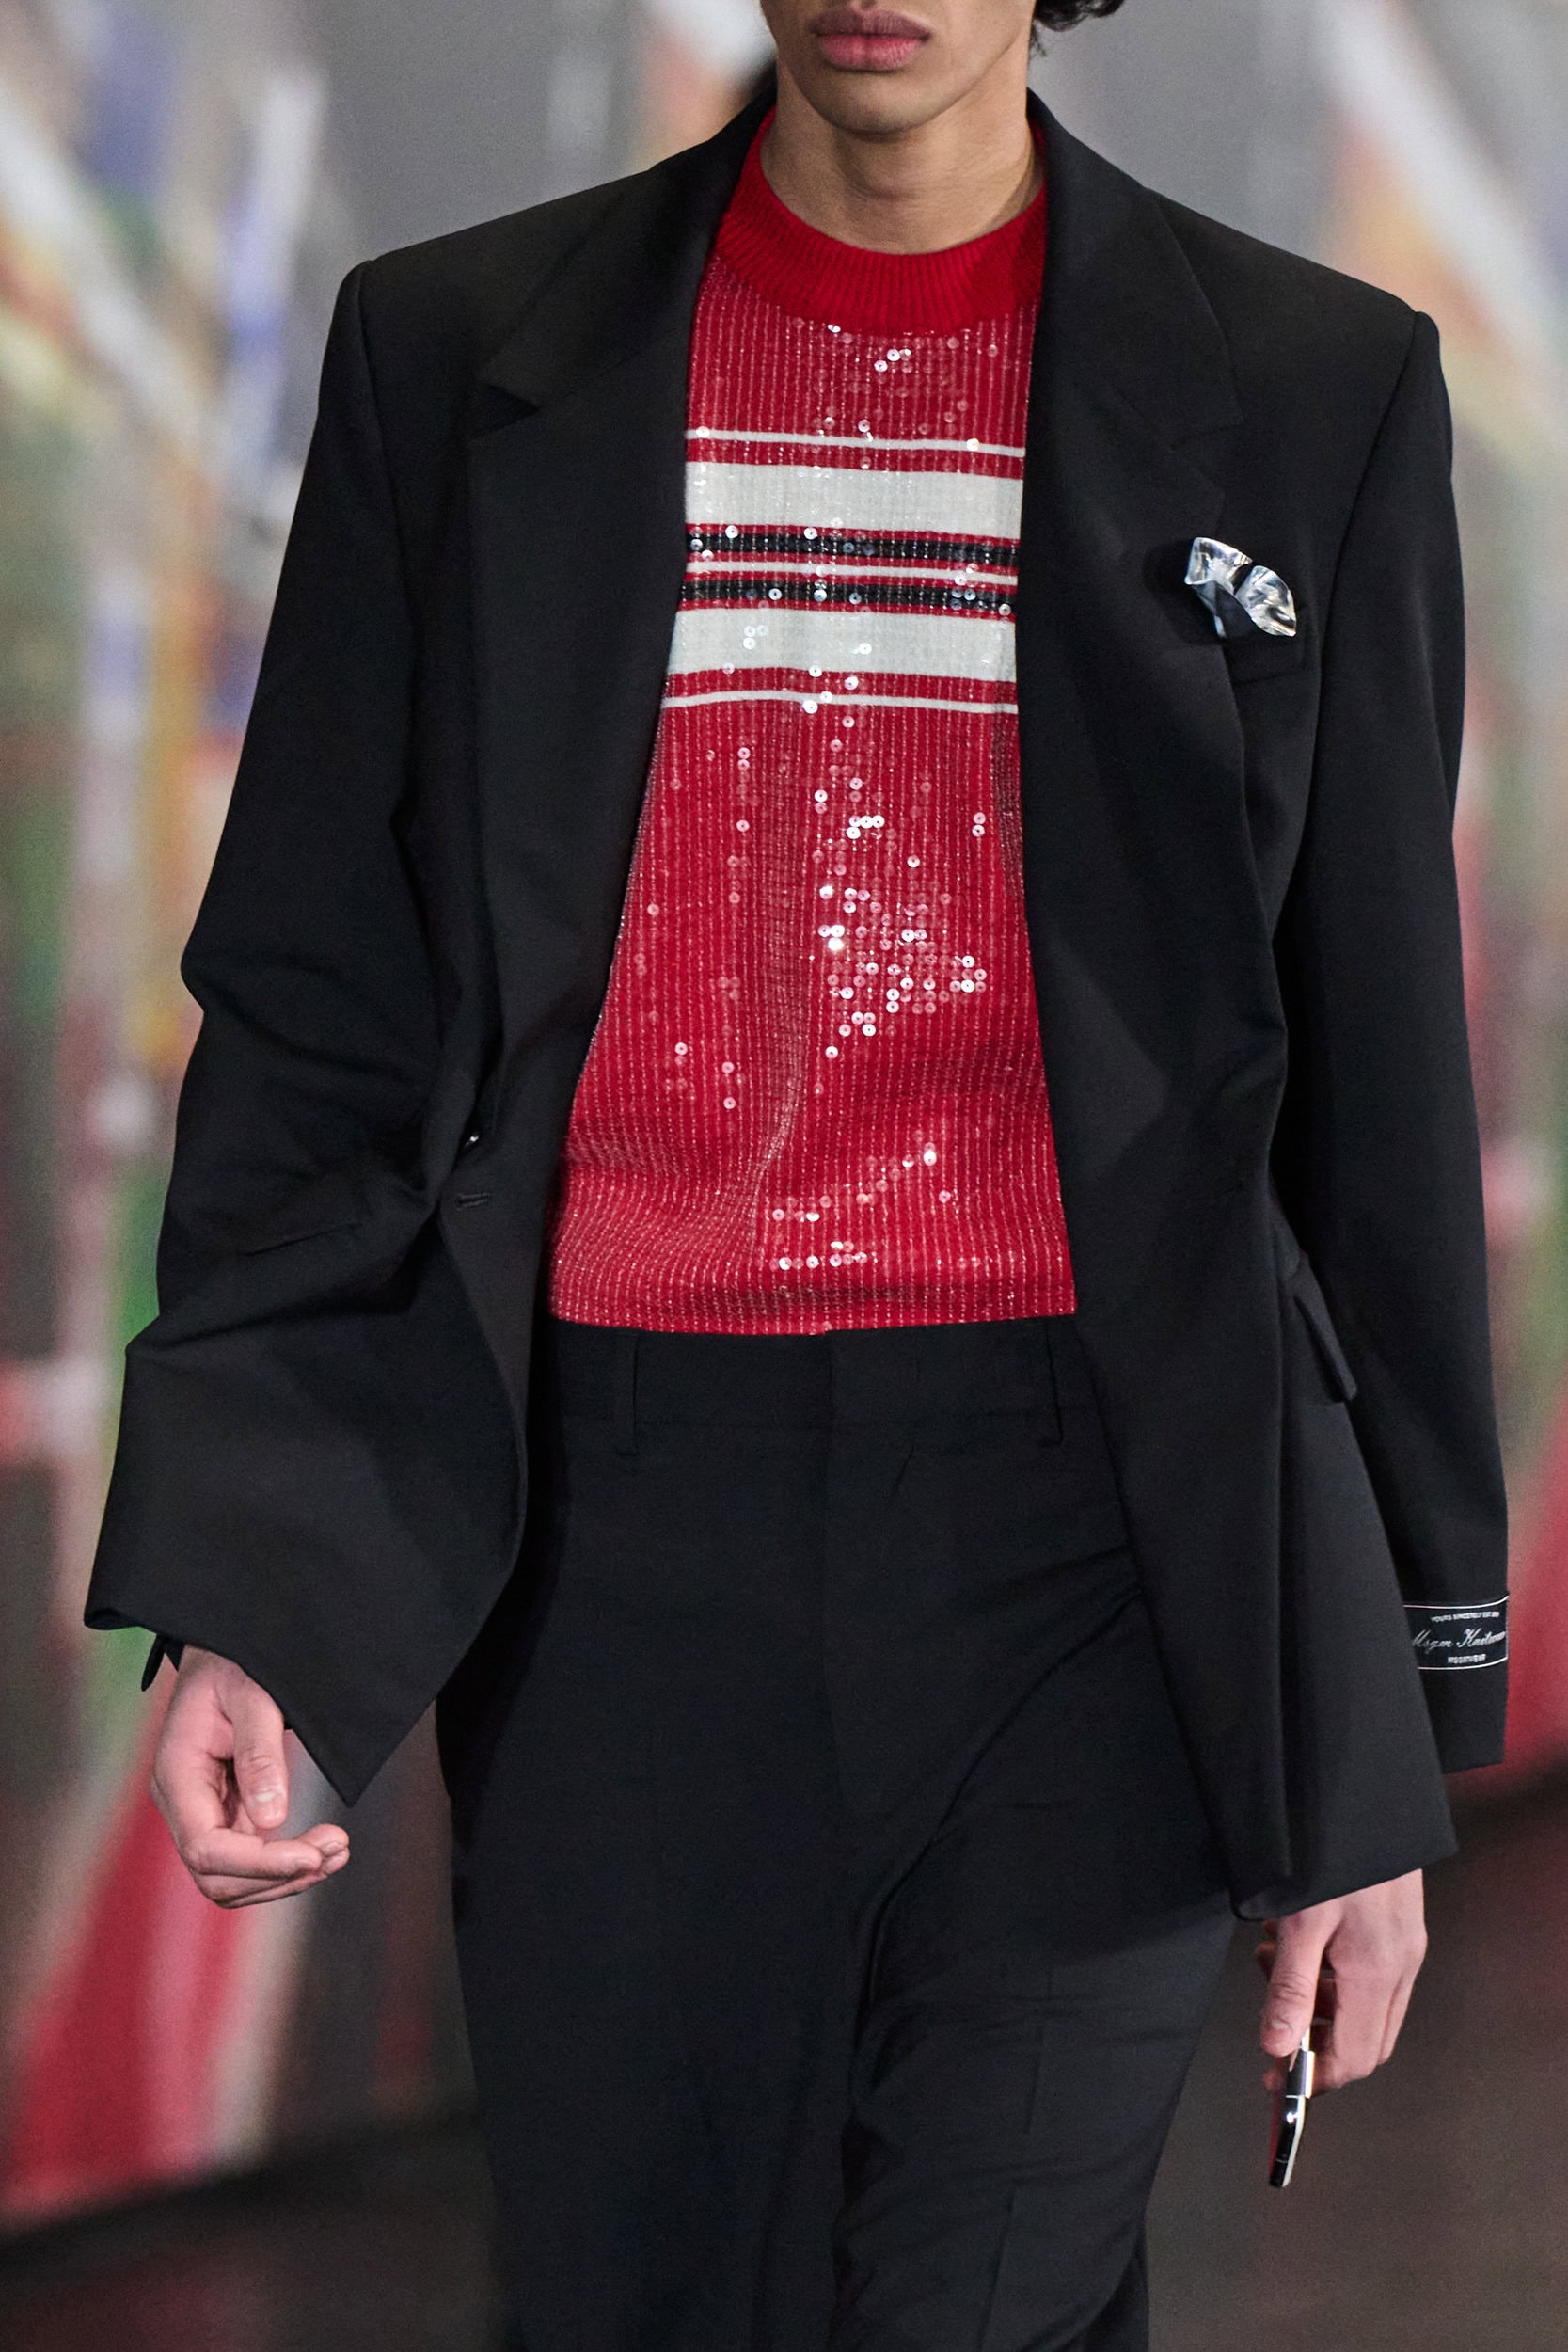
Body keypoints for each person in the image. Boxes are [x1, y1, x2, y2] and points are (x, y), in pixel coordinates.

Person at [86, 0, 1510, 2343]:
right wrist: (243, 1580)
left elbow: (1372, 1078)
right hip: (618, 1557)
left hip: (1104, 1540)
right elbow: (321, 1006)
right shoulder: (455, 356)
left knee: (977, 2291)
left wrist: (1382, 1727)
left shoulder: (1307, 385)